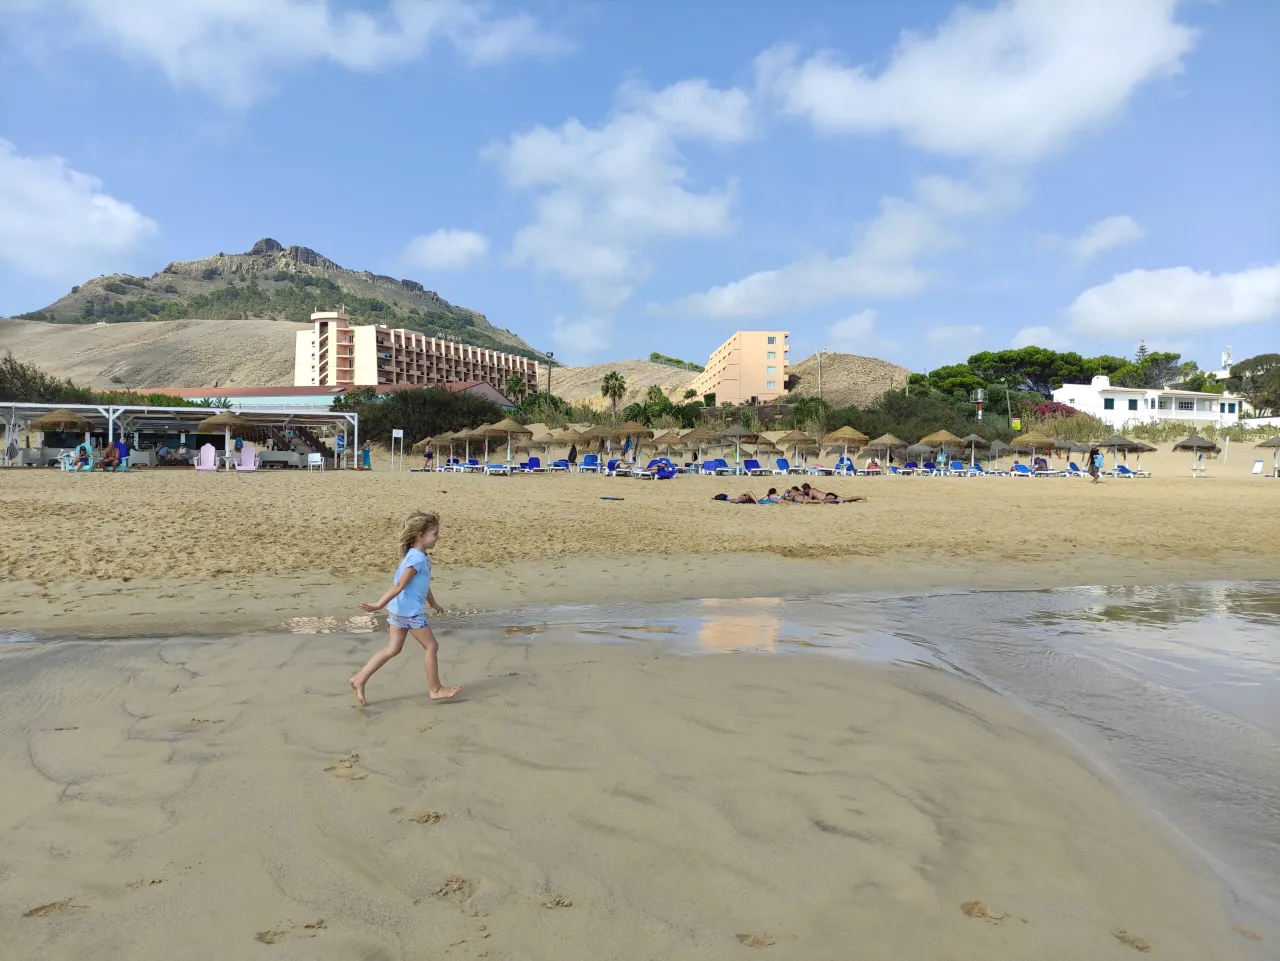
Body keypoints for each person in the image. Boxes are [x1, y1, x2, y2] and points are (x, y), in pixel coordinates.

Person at [351, 512, 459, 706]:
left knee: (393, 649)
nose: (438, 537)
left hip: (399, 610)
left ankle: (359, 679)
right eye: (435, 533)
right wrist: (378, 604)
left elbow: (422, 585)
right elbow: (400, 585)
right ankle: (435, 690)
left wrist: (433, 603)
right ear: (421, 536)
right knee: (431, 646)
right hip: (410, 613)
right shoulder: (416, 559)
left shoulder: (417, 555)